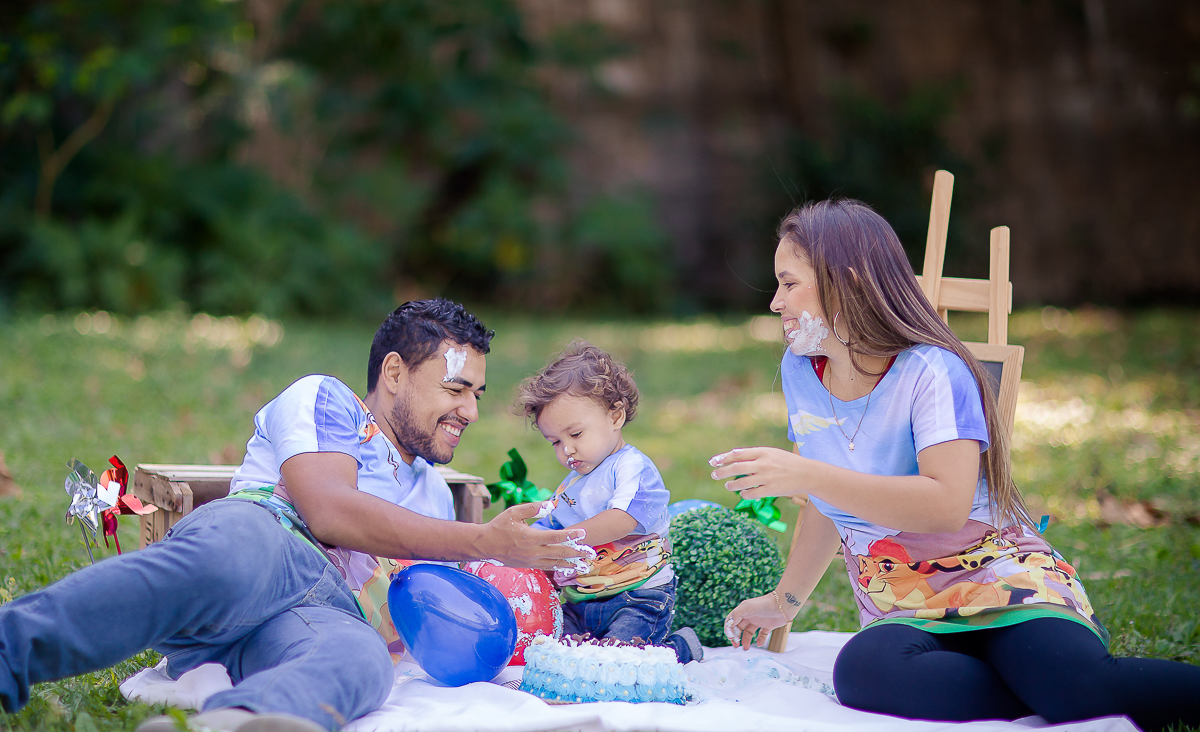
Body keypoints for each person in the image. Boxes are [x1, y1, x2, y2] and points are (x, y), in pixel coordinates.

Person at [713, 200, 1200, 731]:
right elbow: (833, 507)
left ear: (844, 282)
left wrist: (806, 475)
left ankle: (1051, 682)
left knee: (1079, 691)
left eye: (789, 283)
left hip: (995, 573)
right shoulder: (801, 369)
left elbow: (946, 506)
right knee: (862, 673)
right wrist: (784, 602)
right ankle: (1033, 684)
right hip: (901, 600)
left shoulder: (934, 370)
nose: (776, 303)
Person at [0, 299, 582, 732]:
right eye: (457, 388)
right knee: (229, 559)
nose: (470, 410)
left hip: (321, 613)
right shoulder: (328, 401)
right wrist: (482, 542)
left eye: (477, 394)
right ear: (397, 372)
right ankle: (10, 651)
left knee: (360, 663)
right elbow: (326, 511)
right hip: (264, 542)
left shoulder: (434, 495)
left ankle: (232, 723)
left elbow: (420, 620)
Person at [516, 341, 703, 664]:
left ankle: (679, 647)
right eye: (555, 442)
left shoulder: (632, 468)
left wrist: (560, 540)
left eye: (575, 434)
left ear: (615, 416)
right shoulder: (572, 483)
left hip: (638, 595)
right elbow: (550, 522)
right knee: (558, 656)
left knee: (620, 662)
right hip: (580, 600)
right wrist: (528, 538)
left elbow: (621, 519)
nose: (567, 450)